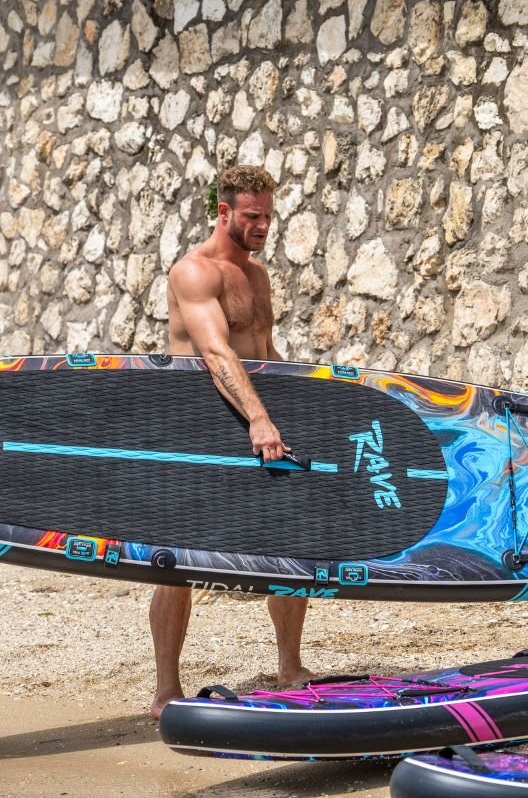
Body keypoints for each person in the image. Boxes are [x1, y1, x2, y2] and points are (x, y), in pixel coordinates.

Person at [150, 165, 314, 720]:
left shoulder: (259, 276)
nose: (263, 225)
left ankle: (290, 667)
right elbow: (216, 353)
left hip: (259, 420)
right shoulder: (192, 272)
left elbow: (267, 353)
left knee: (292, 545)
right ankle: (166, 686)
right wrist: (259, 419)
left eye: (268, 215)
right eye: (252, 216)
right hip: (196, 427)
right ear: (223, 212)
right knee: (174, 560)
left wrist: (305, 411)